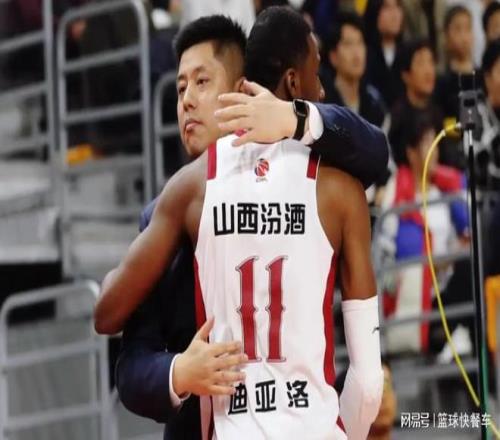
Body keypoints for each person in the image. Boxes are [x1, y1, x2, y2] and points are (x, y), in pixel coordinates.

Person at [96, 8, 384, 440]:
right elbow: (129, 362)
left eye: (202, 82)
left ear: (242, 89)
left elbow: (372, 146)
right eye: (180, 88)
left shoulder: (189, 193)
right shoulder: (173, 203)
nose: (187, 100)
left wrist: (294, 118)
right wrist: (178, 372)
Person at [321, 12, 388, 129]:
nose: (356, 53)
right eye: (348, 44)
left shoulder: (375, 104)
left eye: (360, 43)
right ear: (333, 56)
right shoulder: (323, 105)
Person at [364, 0, 405, 109]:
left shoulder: (407, 54)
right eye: (387, 7)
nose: (394, 14)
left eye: (398, 7)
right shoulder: (365, 54)